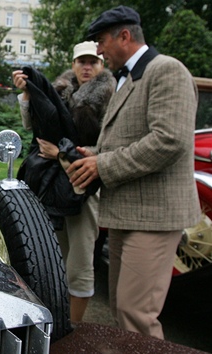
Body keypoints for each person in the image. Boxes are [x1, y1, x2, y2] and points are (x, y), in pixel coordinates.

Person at [67, 5, 200, 339]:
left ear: (124, 35)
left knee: (136, 314)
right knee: (121, 309)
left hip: (155, 216)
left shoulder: (167, 70)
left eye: (100, 40)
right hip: (129, 214)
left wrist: (103, 164)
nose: (97, 50)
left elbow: (169, 141)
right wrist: (93, 154)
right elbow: (127, 138)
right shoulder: (128, 78)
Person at [12, 41, 115, 323]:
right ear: (72, 64)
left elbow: (109, 148)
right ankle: (54, 324)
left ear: (101, 65)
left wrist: (60, 154)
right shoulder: (57, 91)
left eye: (92, 62)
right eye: (81, 61)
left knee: (80, 262)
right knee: (54, 254)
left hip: (85, 185)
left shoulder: (111, 97)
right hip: (53, 186)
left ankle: (73, 330)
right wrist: (27, 93)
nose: (86, 67)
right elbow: (33, 128)